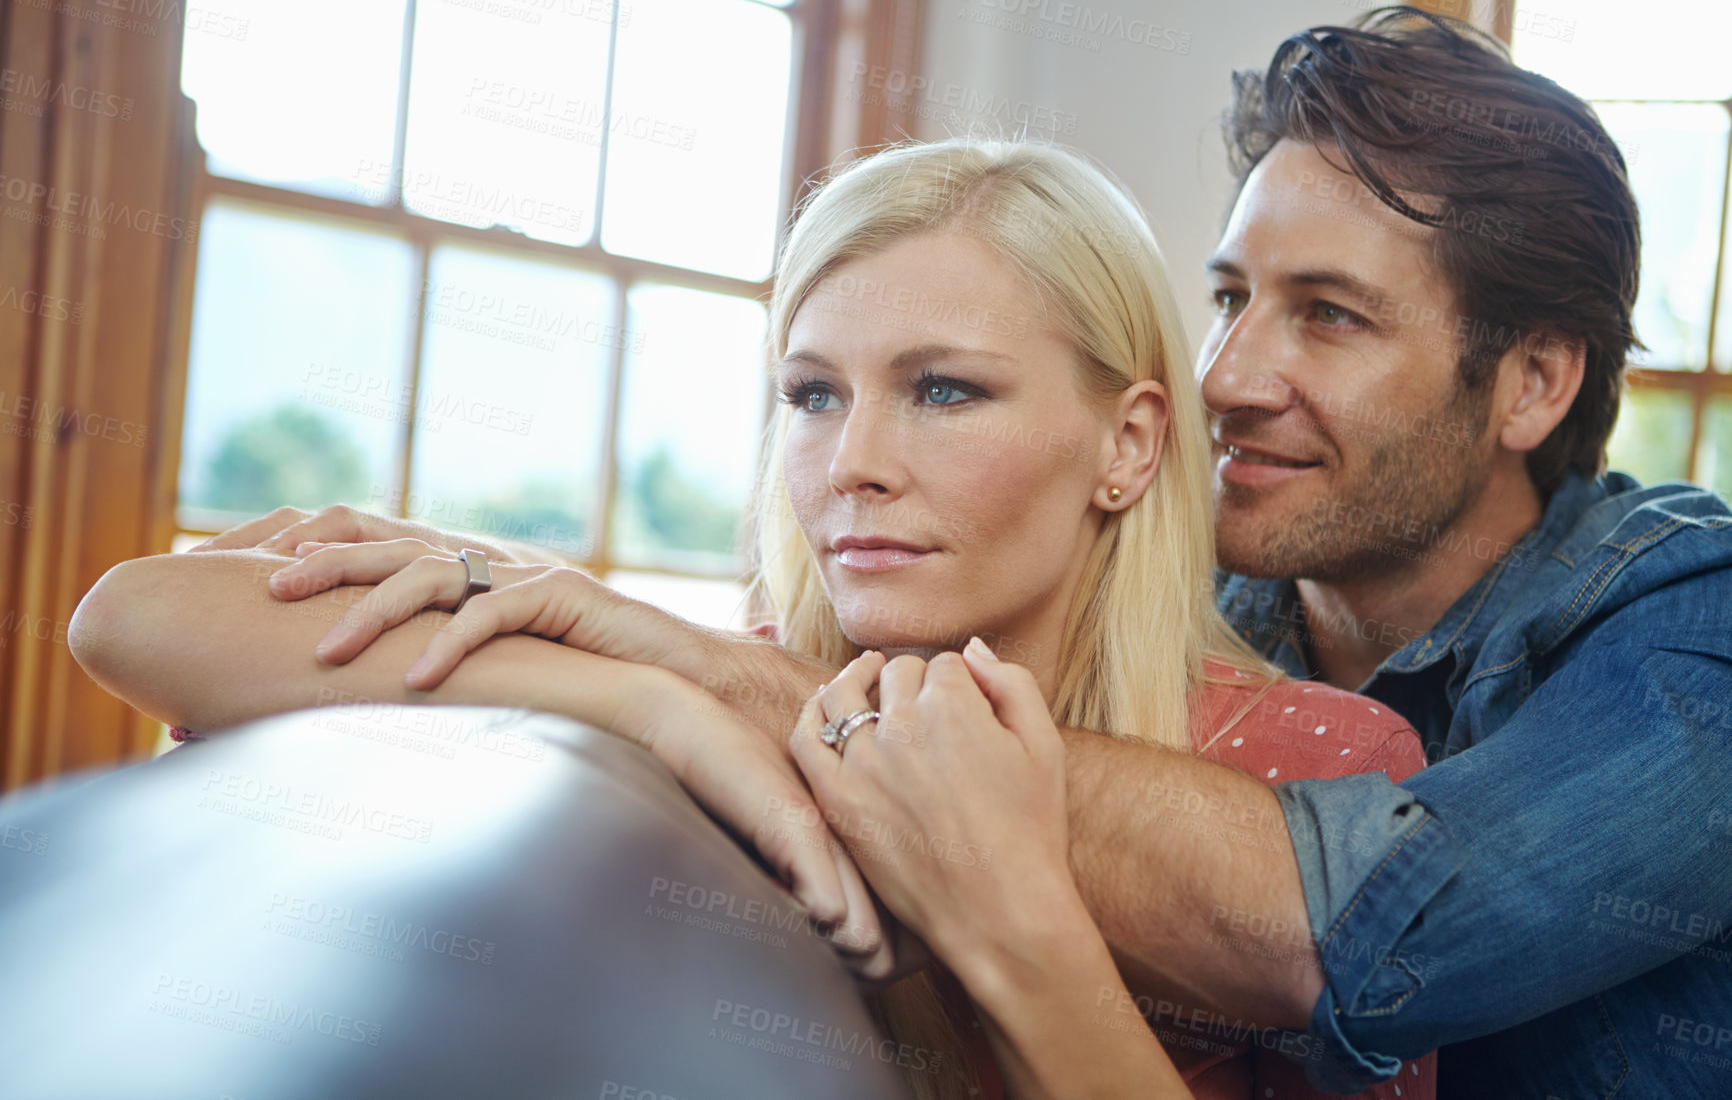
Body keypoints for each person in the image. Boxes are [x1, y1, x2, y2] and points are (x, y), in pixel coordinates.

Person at [69, 137, 1435, 1098]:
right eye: (813, 393)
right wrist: (653, 699)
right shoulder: (744, 683)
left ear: (1130, 443)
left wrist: (1009, 915)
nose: (852, 464)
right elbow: (142, 615)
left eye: (945, 389)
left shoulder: (1318, 762)